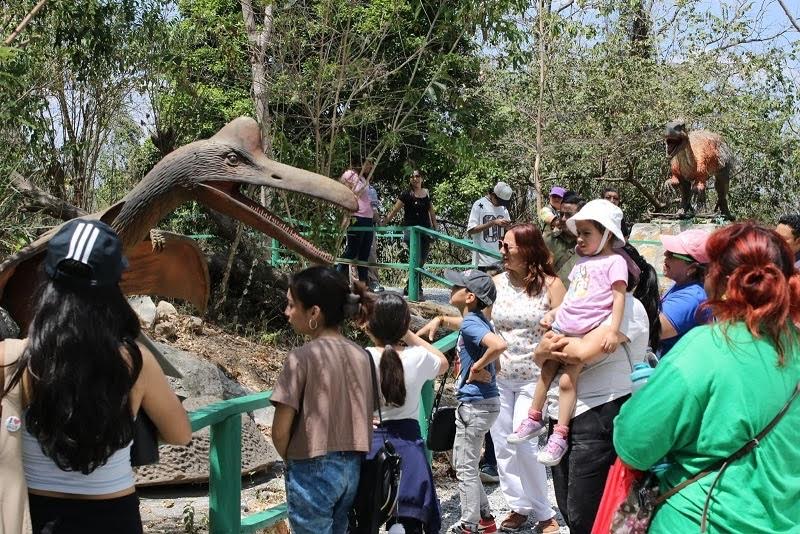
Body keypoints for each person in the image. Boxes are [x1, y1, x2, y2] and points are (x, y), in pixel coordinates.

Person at [0, 219, 191, 534]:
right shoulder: (134, 363)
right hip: (114, 519)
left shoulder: (11, 359)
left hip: (37, 519)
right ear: (113, 287)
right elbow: (180, 434)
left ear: (46, 278)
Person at [613, 222, 800, 532]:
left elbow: (633, 444)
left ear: (724, 281)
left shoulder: (706, 347)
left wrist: (649, 392)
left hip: (701, 520)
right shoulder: (792, 345)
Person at [533, 243, 659, 534]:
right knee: (568, 504)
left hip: (600, 413)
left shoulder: (628, 309)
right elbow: (540, 356)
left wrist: (549, 346)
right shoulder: (583, 309)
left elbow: (581, 353)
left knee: (586, 512)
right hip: (564, 414)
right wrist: (543, 349)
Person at [509, 200, 628, 468]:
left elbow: (618, 297)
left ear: (607, 235)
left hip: (584, 332)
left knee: (565, 382)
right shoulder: (582, 263)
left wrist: (613, 329)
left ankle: (560, 434)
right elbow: (574, 296)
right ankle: (534, 417)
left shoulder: (615, 262)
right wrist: (555, 313)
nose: (580, 239)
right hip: (564, 326)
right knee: (546, 371)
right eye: (579, 233)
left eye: (587, 233)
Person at [270, 266, 374, 534]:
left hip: (310, 467)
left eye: (291, 305)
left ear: (314, 312)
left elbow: (279, 431)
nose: (287, 312)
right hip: (352, 468)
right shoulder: (361, 355)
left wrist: (294, 461)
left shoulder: (300, 357)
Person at [482, 223, 564, 532]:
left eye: (508, 246)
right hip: (500, 377)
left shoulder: (552, 285)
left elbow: (567, 325)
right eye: (502, 246)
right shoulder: (495, 284)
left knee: (525, 444)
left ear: (528, 250)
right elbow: (481, 323)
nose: (501, 251)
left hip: (536, 378)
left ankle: (544, 513)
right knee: (502, 445)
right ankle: (518, 506)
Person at [361, 291, 449, 534]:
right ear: (404, 324)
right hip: (409, 450)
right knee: (407, 523)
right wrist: (407, 333)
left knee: (365, 517)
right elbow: (443, 362)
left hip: (370, 446)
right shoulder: (418, 357)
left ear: (369, 326)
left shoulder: (362, 358)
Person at [443, 269, 505, 534]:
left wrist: (476, 367)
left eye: (456, 286)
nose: (450, 288)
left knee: (466, 468)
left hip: (475, 404)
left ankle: (469, 524)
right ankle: (486, 518)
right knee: (464, 464)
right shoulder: (480, 321)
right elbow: (498, 365)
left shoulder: (471, 323)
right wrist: (483, 368)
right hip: (486, 402)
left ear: (470, 297)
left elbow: (499, 346)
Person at [383, 169, 439, 297]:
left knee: (422, 260)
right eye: (412, 177)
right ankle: (417, 288)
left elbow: (431, 212)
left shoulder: (426, 193)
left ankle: (410, 285)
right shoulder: (406, 194)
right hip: (411, 231)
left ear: (422, 178)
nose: (415, 179)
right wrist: (384, 222)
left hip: (425, 230)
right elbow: (394, 210)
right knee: (416, 259)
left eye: (417, 176)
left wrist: (435, 228)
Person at [658, 229, 711, 356]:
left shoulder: (690, 298)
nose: (665, 254)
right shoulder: (682, 285)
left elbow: (651, 330)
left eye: (672, 253)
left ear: (692, 268)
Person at [337, 160, 377, 285]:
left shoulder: (364, 179)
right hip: (357, 217)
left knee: (364, 253)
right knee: (352, 251)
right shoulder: (350, 174)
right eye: (368, 163)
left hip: (368, 219)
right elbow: (342, 190)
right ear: (361, 162)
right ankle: (335, 276)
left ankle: (363, 284)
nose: (370, 166)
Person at [467, 182, 513, 271]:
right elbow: (471, 230)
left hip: (500, 260)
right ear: (493, 195)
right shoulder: (479, 205)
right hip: (482, 261)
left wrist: (507, 227)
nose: (500, 204)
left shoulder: (503, 208)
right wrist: (493, 222)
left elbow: (508, 230)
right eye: (499, 201)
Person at [543, 191, 584, 287]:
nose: (563, 219)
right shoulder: (548, 241)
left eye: (569, 215)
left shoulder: (589, 245)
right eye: (561, 214)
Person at [366, 182, 384, 293]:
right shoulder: (352, 185)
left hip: (368, 224)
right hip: (356, 224)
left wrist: (379, 223)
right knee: (354, 255)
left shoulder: (370, 189)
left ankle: (372, 281)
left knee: (370, 253)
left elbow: (374, 210)